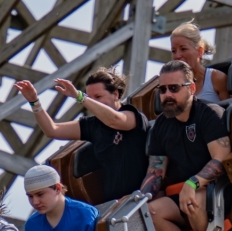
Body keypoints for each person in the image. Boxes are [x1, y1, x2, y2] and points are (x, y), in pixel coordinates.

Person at [142, 60, 232, 231]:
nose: (167, 95)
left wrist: (192, 183)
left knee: (194, 201)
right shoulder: (160, 127)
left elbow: (221, 159)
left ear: (191, 88)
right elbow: (155, 171)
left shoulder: (208, 113)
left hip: (216, 188)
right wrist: (141, 198)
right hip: (183, 194)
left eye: (174, 88)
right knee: (148, 213)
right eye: (162, 90)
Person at [14, 68, 150, 202]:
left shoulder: (132, 115)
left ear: (115, 94)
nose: (92, 103)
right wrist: (34, 102)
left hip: (140, 198)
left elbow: (114, 120)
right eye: (89, 98)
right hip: (113, 203)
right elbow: (52, 130)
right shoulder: (92, 125)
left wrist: (79, 96)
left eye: (98, 97)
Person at [171, 22, 230, 105]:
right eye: (174, 51)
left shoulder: (217, 79)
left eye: (183, 49)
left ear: (200, 51)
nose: (177, 55)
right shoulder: (171, 86)